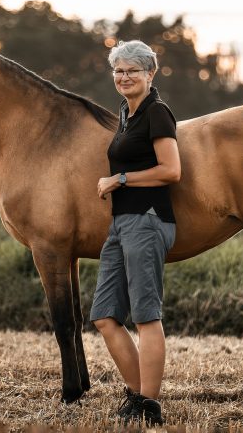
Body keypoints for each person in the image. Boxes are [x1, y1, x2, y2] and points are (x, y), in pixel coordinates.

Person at [92, 40, 180, 426]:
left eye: (132, 70)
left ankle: (150, 403)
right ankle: (138, 395)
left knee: (146, 315)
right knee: (104, 316)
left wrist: (120, 178)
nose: (123, 77)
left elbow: (171, 170)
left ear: (150, 74)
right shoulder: (127, 114)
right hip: (121, 223)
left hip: (147, 219)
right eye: (118, 70)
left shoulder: (157, 113)